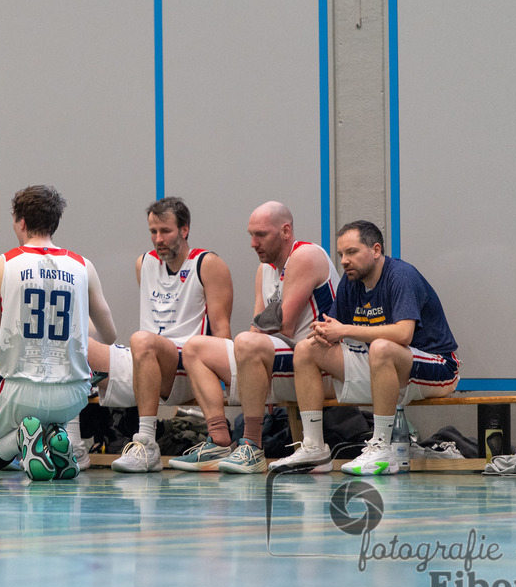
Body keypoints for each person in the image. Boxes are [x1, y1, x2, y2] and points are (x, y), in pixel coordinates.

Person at [272, 220, 460, 476]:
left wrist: (345, 330)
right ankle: (314, 447)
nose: (344, 261)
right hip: (382, 363)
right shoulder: (351, 283)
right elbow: (335, 329)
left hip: (437, 366)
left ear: (375, 250)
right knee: (307, 349)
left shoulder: (401, 276)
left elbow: (404, 334)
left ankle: (383, 448)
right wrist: (324, 333)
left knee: (382, 347)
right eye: (340, 255)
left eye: (351, 252)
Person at [0, 185, 117, 481]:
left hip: (20, 387)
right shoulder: (83, 265)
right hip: (74, 393)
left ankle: (24, 438)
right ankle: (54, 439)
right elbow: (109, 335)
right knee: (46, 416)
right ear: (55, 222)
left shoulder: (0, 265)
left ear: (21, 222)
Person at [176, 201, 338, 473]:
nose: (253, 243)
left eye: (261, 235)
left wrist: (262, 326)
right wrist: (260, 329)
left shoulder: (306, 255)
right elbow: (259, 326)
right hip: (281, 361)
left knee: (248, 343)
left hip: (318, 365)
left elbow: (284, 326)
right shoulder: (264, 271)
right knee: (194, 348)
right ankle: (218, 440)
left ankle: (252, 445)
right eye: (251, 235)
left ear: (286, 231)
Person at [91, 197, 233, 474]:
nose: (158, 238)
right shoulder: (143, 263)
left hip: (188, 364)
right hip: (146, 355)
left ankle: (147, 444)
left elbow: (222, 334)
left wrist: (223, 384)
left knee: (141, 339)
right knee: (76, 347)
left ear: (184, 229)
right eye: (153, 232)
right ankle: (73, 447)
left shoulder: (208, 264)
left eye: (165, 231)